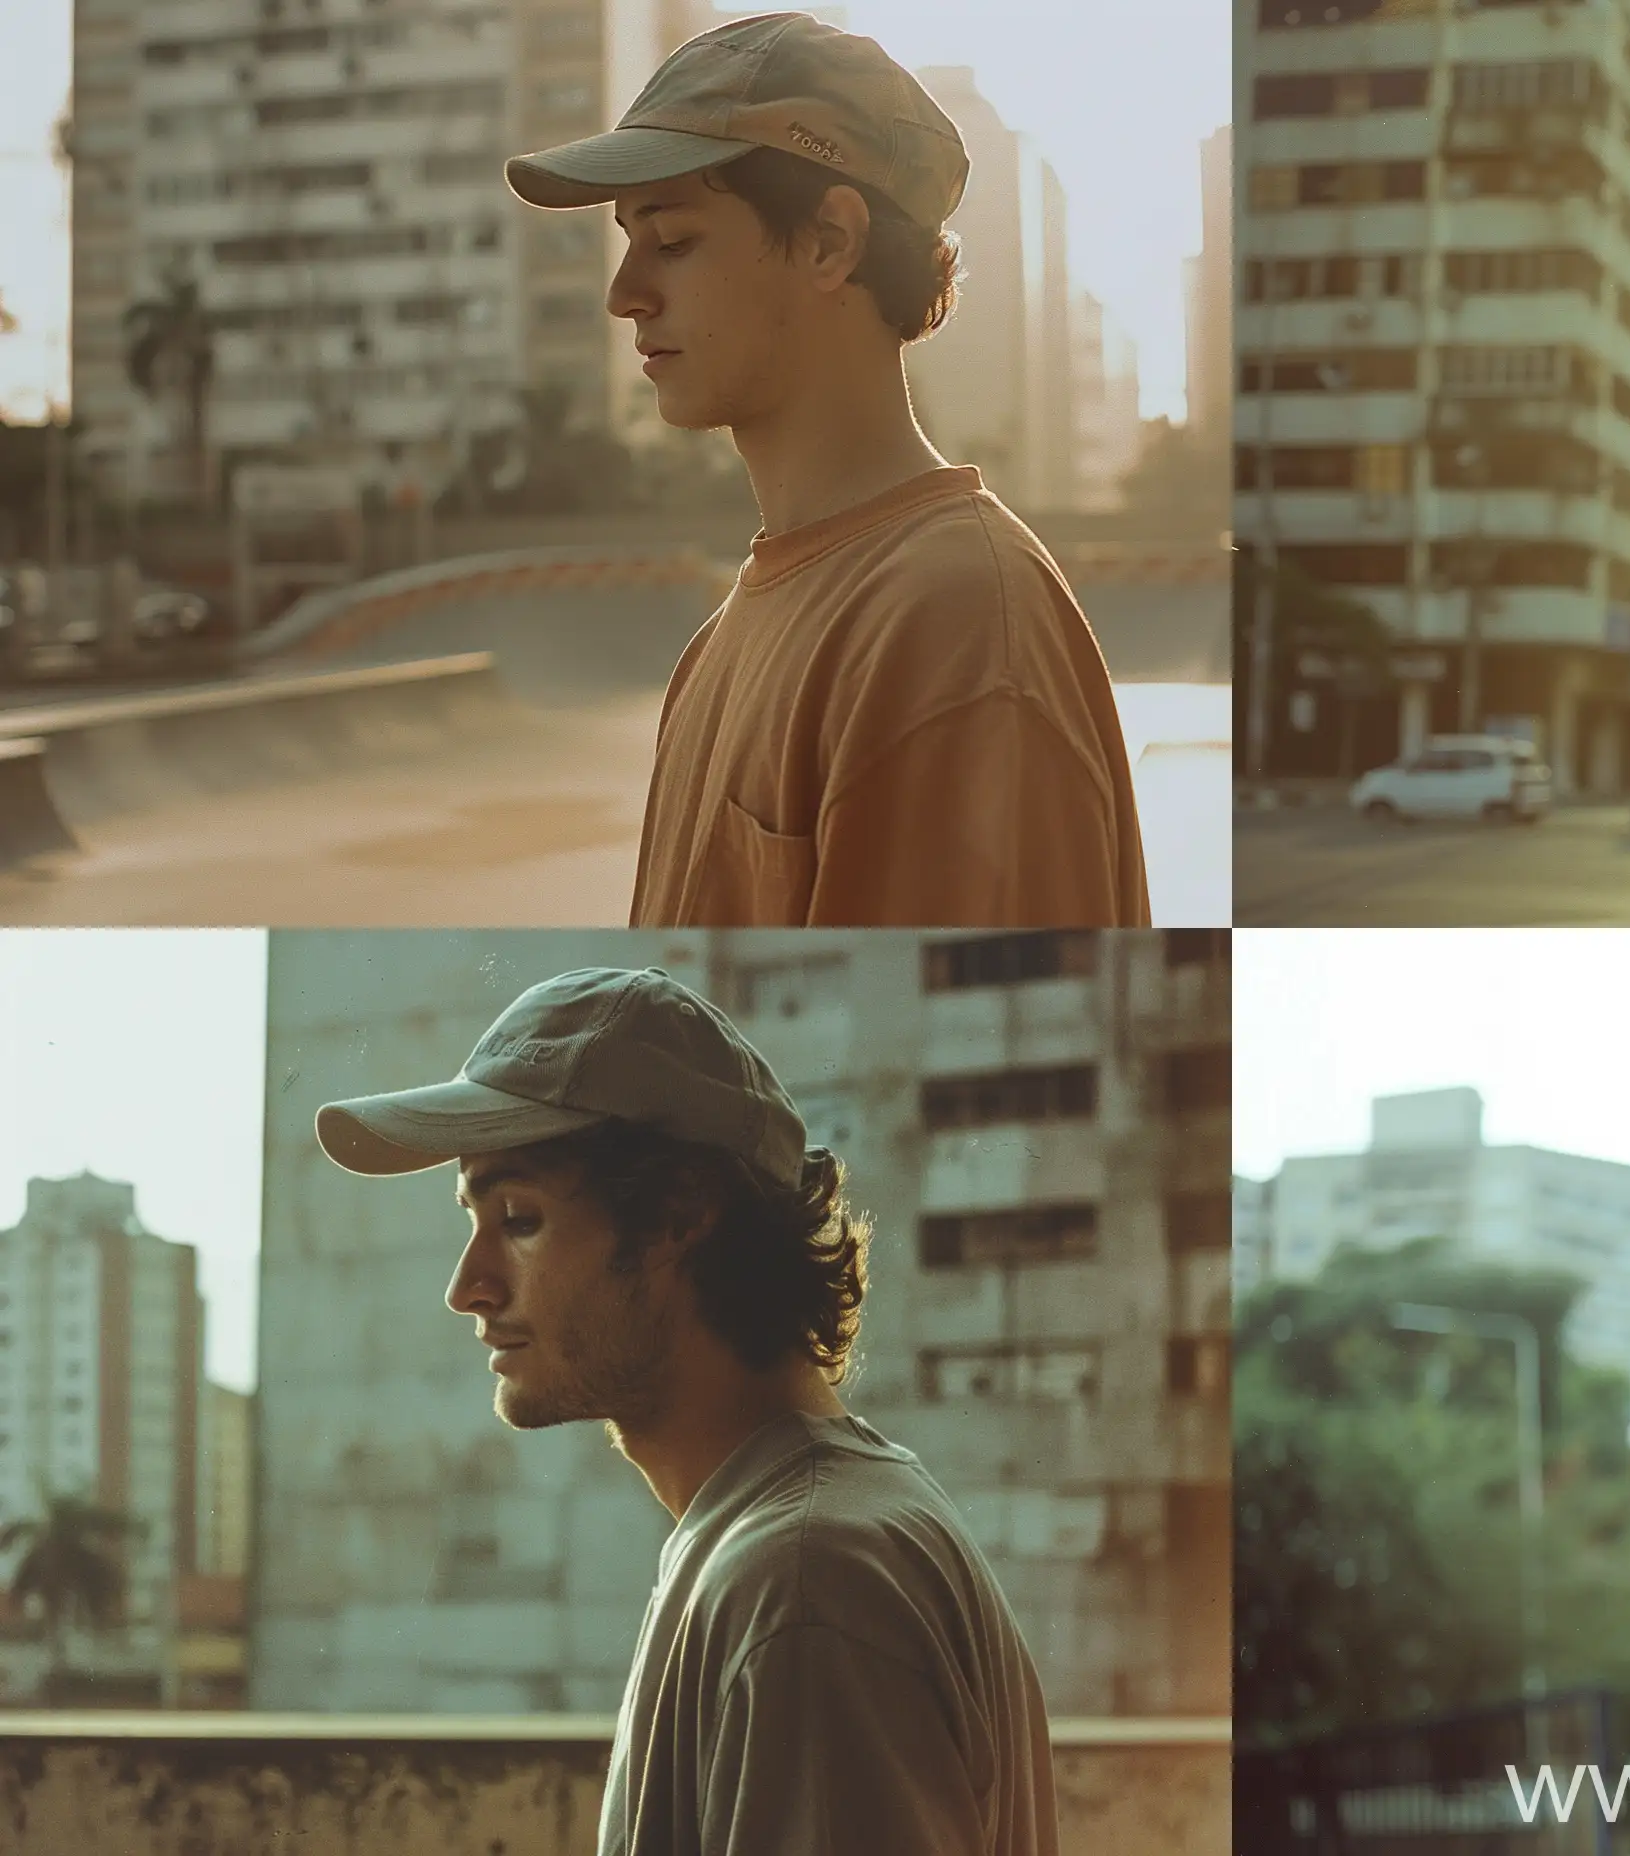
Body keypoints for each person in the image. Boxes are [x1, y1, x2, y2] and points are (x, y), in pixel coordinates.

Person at [316, 966, 1059, 1856]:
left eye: (519, 1217)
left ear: (677, 1215)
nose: (466, 1288)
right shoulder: (792, 1539)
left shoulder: (802, 1585)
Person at [504, 12, 1151, 929]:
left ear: (829, 242)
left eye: (674, 240)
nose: (625, 294)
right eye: (627, 241)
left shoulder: (954, 624)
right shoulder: (724, 642)